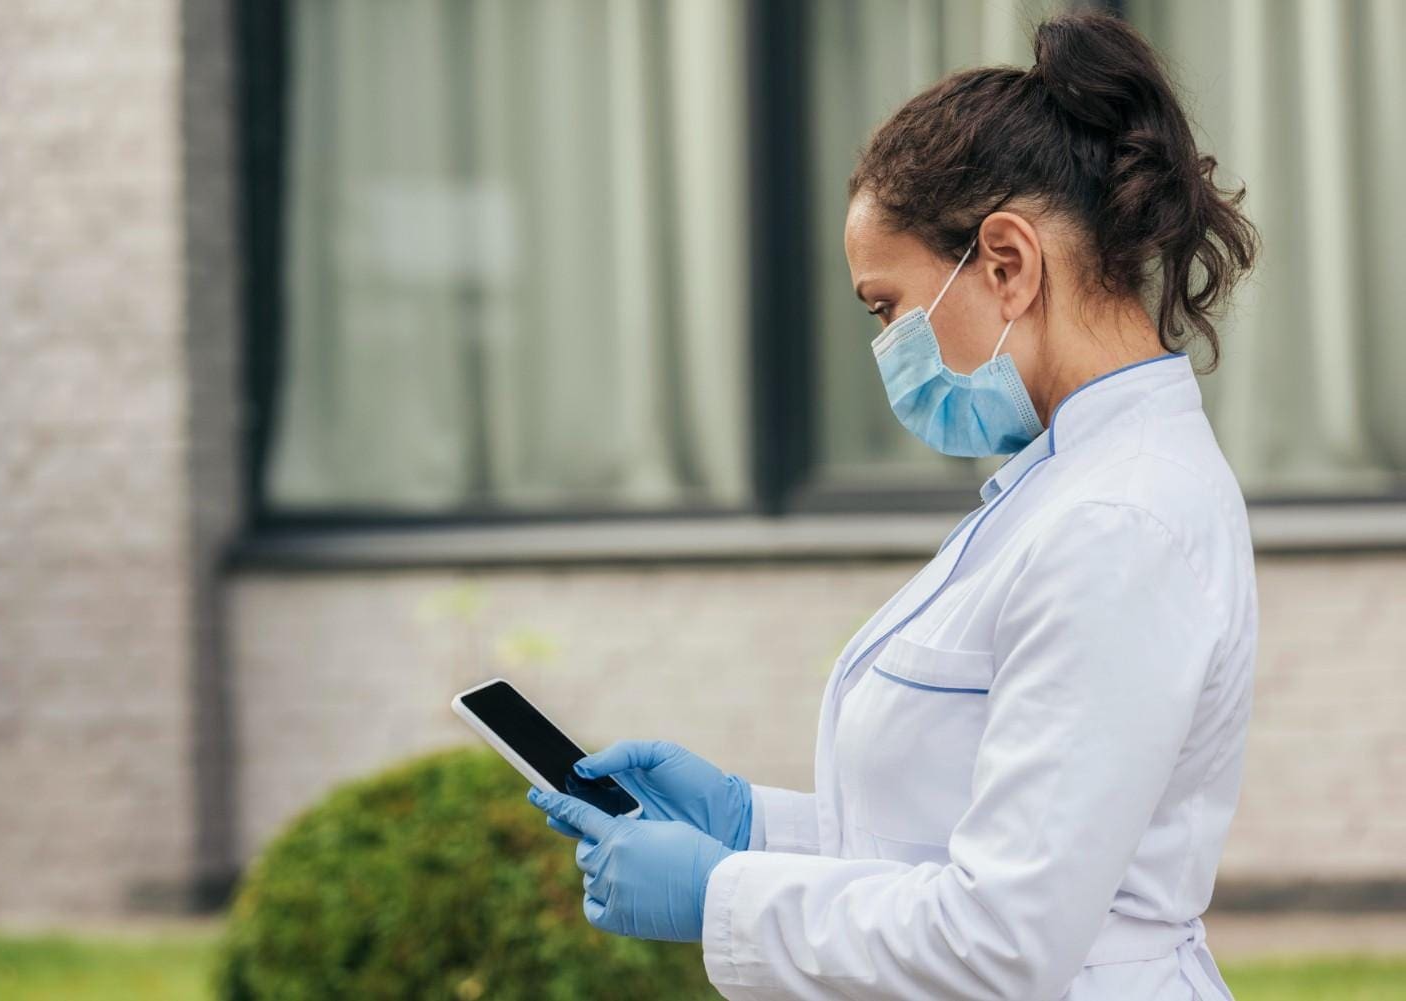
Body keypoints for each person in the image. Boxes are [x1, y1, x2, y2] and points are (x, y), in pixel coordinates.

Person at [528, 9, 1260, 1000]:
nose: (887, 349)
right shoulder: (1074, 484)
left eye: (888, 307)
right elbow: (959, 832)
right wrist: (752, 825)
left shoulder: (1116, 526)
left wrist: (722, 892)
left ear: (1005, 262)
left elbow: (1000, 937)